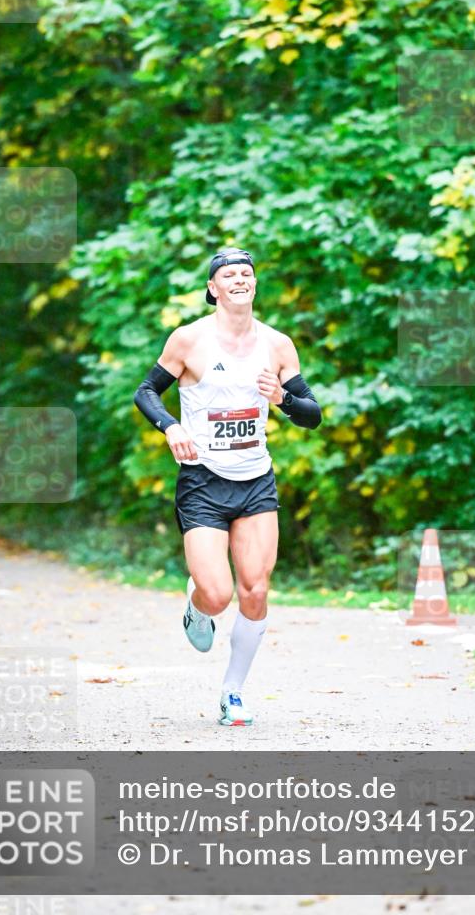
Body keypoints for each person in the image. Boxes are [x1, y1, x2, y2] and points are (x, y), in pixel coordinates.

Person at [134, 250, 322, 726]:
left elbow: (312, 414)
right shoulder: (189, 340)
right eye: (228, 275)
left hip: (255, 479)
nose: (239, 280)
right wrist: (171, 427)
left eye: (246, 274)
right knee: (218, 595)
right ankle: (197, 607)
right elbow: (146, 391)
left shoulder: (277, 345)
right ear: (214, 288)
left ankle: (233, 692)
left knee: (255, 589)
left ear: (254, 285)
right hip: (203, 480)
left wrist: (282, 399)